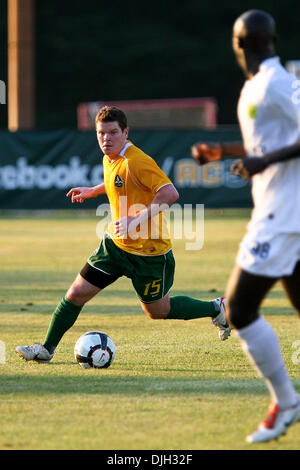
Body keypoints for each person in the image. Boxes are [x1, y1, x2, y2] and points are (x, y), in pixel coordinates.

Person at [16, 106, 231, 366]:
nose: (106, 138)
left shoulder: (137, 161)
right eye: (101, 133)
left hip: (150, 254)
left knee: (158, 311)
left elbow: (170, 194)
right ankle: (46, 349)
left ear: (125, 132)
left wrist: (135, 220)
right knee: (75, 294)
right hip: (116, 247)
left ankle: (215, 308)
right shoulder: (110, 157)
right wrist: (93, 191)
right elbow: (117, 183)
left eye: (113, 132)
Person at [191, 9, 300, 444]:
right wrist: (224, 152)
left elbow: (270, 152)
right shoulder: (256, 86)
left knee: (238, 309)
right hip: (283, 213)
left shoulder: (278, 82)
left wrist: (263, 161)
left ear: (239, 45)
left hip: (280, 217)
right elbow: (266, 143)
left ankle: (286, 401)